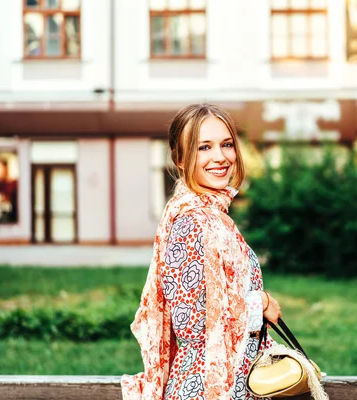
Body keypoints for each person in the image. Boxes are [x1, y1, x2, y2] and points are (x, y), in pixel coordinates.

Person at [121, 104, 282, 399]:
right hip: (204, 387)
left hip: (232, 381)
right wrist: (260, 302)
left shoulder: (213, 214)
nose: (220, 157)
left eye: (227, 144)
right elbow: (191, 320)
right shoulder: (190, 220)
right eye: (203, 148)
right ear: (180, 159)